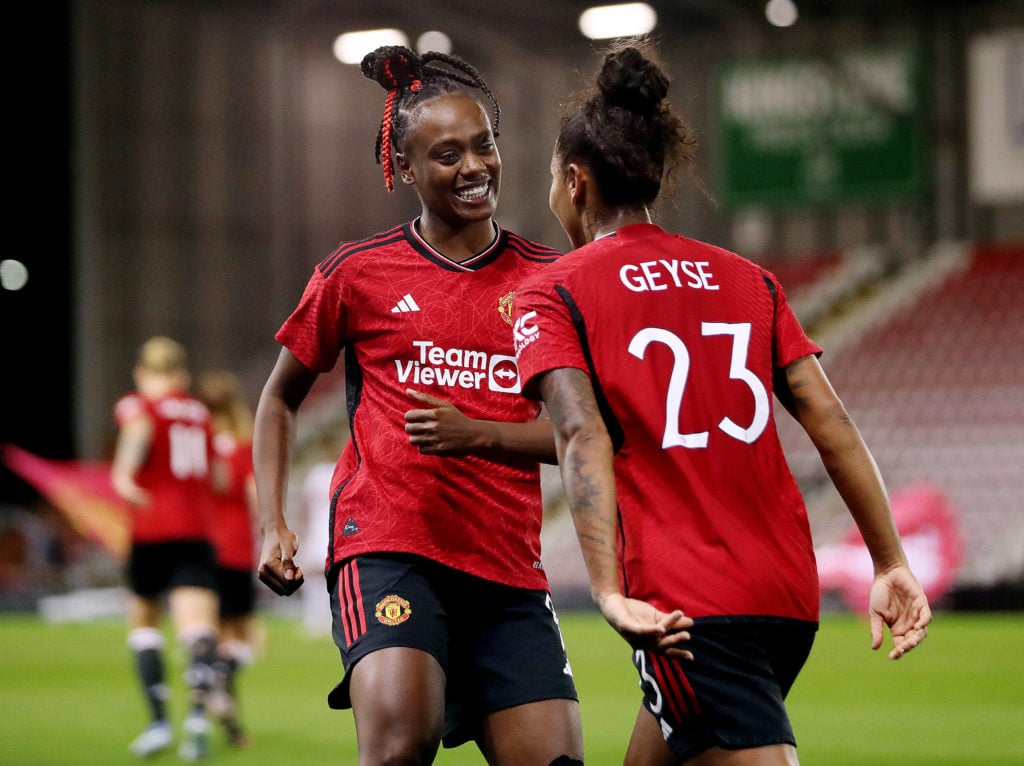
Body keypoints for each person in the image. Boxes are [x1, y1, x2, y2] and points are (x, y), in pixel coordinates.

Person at [513, 43, 933, 766]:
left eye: (555, 178)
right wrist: (888, 559)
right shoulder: (748, 280)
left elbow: (580, 434)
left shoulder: (556, 289)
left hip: (687, 606)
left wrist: (609, 592)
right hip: (783, 592)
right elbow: (831, 423)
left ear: (575, 183)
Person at [254, 46, 584, 765]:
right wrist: (273, 521)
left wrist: (480, 435)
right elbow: (278, 399)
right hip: (389, 547)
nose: (473, 167)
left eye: (483, 145)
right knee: (404, 742)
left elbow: (585, 438)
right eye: (445, 154)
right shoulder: (356, 274)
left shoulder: (549, 280)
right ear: (404, 169)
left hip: (506, 563)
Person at [111, 336, 220, 761]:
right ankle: (196, 720)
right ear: (183, 374)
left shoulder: (141, 408)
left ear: (143, 373)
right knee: (198, 630)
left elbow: (129, 460)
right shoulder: (200, 414)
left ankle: (158, 723)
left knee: (144, 624)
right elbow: (219, 477)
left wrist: (124, 481)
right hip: (196, 532)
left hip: (152, 530)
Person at [196, 368, 259, 748]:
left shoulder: (195, 445)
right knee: (243, 640)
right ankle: (219, 686)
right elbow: (254, 498)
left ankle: (221, 723)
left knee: (209, 639)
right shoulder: (243, 445)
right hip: (235, 550)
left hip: (202, 549)